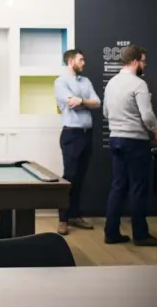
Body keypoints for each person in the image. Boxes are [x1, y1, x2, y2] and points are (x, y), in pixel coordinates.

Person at [102, 45, 157, 246]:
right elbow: (147, 115)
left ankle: (111, 233)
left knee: (118, 186)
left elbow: (105, 112)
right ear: (135, 61)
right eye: (144, 60)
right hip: (135, 141)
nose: (145, 64)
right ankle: (140, 235)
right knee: (139, 187)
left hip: (116, 139)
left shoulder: (111, 83)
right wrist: (155, 131)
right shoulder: (139, 84)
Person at [53, 49, 101, 235]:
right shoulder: (61, 82)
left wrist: (81, 100)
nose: (84, 63)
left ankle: (74, 215)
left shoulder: (86, 81)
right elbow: (70, 103)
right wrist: (84, 102)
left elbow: (97, 103)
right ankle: (63, 219)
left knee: (80, 177)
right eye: (81, 60)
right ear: (71, 61)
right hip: (71, 135)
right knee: (70, 177)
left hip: (86, 134)